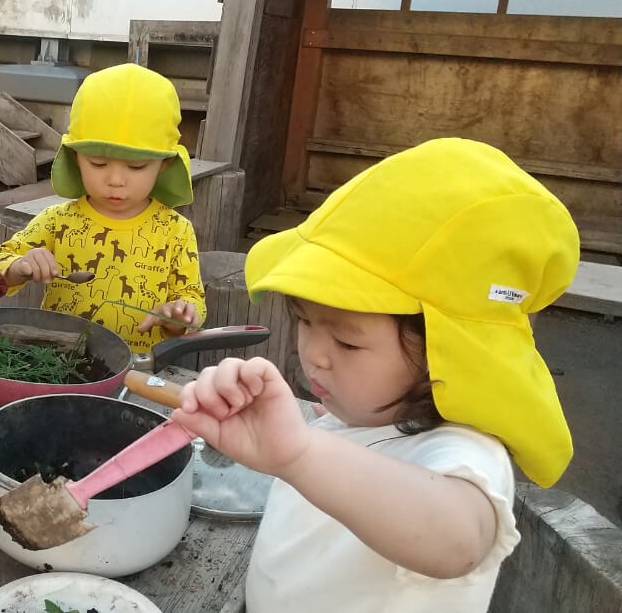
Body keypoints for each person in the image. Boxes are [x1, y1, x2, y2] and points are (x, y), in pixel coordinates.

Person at [172, 138, 579, 612]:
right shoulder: (365, 416)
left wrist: (300, 452)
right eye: (304, 320)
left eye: (348, 341)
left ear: (451, 352)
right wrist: (329, 424)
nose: (316, 356)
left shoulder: (463, 452)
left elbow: (457, 541)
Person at [0, 63, 205, 352]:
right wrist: (20, 267)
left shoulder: (175, 232)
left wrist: (178, 318)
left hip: (137, 368)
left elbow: (192, 300)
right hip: (57, 364)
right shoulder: (58, 222)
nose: (115, 180)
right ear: (76, 158)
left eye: (136, 166)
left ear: (164, 165)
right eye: (98, 164)